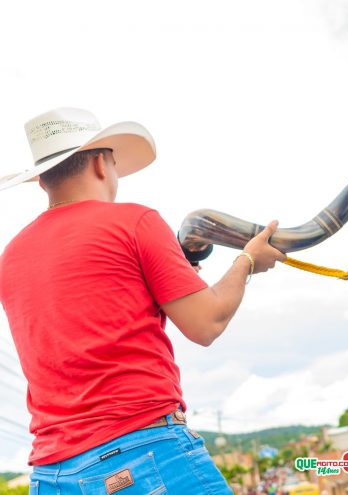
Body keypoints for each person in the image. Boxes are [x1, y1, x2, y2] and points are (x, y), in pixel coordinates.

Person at [0, 107, 286, 494]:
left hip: (52, 475)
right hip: (143, 454)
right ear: (102, 164)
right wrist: (248, 261)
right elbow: (207, 323)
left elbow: (90, 312)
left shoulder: (11, 256)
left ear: (42, 182)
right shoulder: (135, 222)